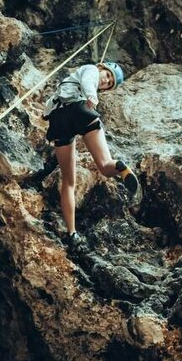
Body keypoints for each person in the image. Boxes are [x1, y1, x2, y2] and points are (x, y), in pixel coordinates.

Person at [44, 60, 140, 247]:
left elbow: (51, 104)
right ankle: (119, 165)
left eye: (109, 83)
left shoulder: (72, 82)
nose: (105, 81)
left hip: (59, 121)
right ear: (101, 66)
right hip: (80, 110)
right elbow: (90, 79)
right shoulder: (91, 69)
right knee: (104, 164)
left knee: (69, 182)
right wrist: (91, 95)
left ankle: (72, 233)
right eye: (107, 75)